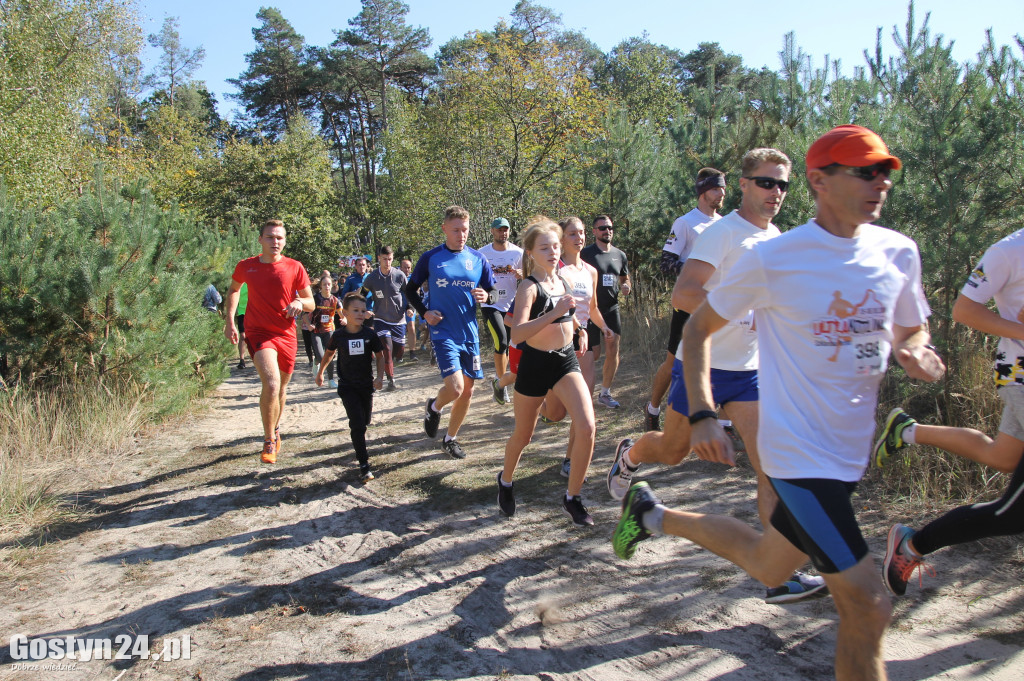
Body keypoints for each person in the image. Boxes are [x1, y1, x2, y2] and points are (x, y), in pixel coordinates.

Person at [613, 125, 945, 680]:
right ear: (822, 179)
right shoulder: (777, 256)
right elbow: (693, 328)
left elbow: (911, 329)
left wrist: (915, 351)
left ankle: (650, 513)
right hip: (798, 451)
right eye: (863, 171)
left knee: (768, 559)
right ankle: (641, 466)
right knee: (867, 602)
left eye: (885, 171)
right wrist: (701, 413)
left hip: (845, 456)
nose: (879, 182)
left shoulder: (898, 252)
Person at [608, 148, 824, 604]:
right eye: (766, 182)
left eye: (783, 185)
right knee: (672, 451)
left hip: (749, 371)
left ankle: (777, 572)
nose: (776, 193)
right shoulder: (723, 233)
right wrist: (740, 304)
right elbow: (684, 295)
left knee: (772, 466)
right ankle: (630, 455)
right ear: (744, 185)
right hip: (702, 362)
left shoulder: (776, 236)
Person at [875, 228, 1024, 596]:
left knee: (1002, 457)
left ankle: (908, 431)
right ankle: (913, 545)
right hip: (1021, 374)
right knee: (1014, 512)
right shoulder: (1010, 251)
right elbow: (964, 309)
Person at [498, 217, 597, 526]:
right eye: (545, 247)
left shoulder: (563, 279)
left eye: (556, 245)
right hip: (535, 365)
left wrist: (579, 329)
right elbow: (517, 334)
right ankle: (505, 479)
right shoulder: (529, 287)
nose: (553, 252)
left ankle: (572, 497)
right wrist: (554, 313)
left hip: (565, 361)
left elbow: (570, 312)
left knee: (587, 426)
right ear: (530, 253)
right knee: (524, 435)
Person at [406, 206, 496, 459]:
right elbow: (410, 290)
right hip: (443, 331)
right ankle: (434, 407)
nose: (461, 234)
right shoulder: (431, 257)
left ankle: (450, 439)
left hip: (470, 333)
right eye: (456, 229)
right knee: (455, 388)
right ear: (445, 228)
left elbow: (496, 292)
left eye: (465, 229)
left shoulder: (478, 259)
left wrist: (487, 295)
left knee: (468, 391)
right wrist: (424, 312)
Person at [224, 219, 315, 464]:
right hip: (259, 332)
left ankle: (275, 430)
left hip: (286, 334)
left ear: (284, 241)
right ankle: (268, 439)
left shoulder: (294, 267)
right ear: (261, 240)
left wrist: (299, 303)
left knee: (282, 388)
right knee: (272, 384)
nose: (275, 242)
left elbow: (311, 302)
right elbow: (234, 290)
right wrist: (230, 321)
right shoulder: (246, 266)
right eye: (270, 237)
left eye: (280, 238)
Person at [645, 168, 726, 432]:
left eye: (723, 188)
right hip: (689, 305)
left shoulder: (725, 225)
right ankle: (653, 408)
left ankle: (722, 423)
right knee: (672, 363)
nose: (722, 193)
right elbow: (666, 263)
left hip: (718, 304)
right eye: (716, 188)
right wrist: (697, 272)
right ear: (703, 191)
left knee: (722, 361)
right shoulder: (685, 223)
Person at [534, 217, 614, 478]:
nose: (579, 238)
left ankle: (569, 459)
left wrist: (603, 327)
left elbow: (592, 309)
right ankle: (539, 403)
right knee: (556, 414)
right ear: (562, 238)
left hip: (584, 342)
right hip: (559, 340)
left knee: (585, 408)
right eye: (572, 234)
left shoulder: (591, 271)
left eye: (581, 233)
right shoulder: (555, 269)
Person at [316, 292, 385, 482]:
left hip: (366, 386)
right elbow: (329, 354)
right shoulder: (338, 335)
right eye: (355, 310)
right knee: (357, 424)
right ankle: (364, 465)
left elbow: (380, 356)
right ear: (344, 313)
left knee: (365, 421)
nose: (360, 314)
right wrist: (321, 372)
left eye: (363, 310)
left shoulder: (370, 334)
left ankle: (360, 445)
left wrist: (380, 377)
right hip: (347, 386)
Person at [581, 215, 631, 408]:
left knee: (613, 350)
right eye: (602, 228)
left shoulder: (620, 255)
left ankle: (605, 393)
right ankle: (578, 391)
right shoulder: (586, 254)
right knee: (592, 354)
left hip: (611, 308)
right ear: (594, 232)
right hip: (590, 309)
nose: (607, 231)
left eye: (609, 227)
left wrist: (626, 286)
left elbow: (625, 279)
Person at [479, 217, 524, 406]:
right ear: (492, 231)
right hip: (491, 304)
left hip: (513, 305)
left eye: (505, 229)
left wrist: (524, 274)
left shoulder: (518, 252)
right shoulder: (482, 253)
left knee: (513, 344)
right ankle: (502, 384)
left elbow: (531, 273)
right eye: (499, 230)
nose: (502, 233)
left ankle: (505, 380)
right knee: (501, 341)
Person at [363, 246, 409, 391]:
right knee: (386, 349)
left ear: (392, 258)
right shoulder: (372, 278)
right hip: (380, 318)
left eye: (389, 259)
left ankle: (392, 365)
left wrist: (410, 309)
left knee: (399, 350)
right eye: (384, 259)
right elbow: (362, 295)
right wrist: (365, 310)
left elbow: (409, 294)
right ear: (379, 259)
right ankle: (391, 380)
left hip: (398, 319)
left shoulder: (399, 275)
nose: (387, 262)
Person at [306, 275, 342, 388]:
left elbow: (342, 315)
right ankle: (317, 362)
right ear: (320, 286)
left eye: (329, 284)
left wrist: (344, 320)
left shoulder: (335, 300)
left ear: (332, 285)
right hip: (316, 331)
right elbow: (305, 315)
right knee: (321, 357)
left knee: (329, 356)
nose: (327, 286)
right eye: (324, 284)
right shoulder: (315, 299)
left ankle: (331, 380)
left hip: (329, 330)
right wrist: (309, 325)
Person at [400, 257, 418, 362]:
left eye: (409, 267)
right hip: (399, 306)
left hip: (411, 306)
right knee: (400, 329)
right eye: (405, 267)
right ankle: (399, 352)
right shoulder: (396, 277)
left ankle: (412, 352)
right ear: (401, 267)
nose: (407, 269)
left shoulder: (414, 278)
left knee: (411, 327)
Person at [235, 283, 249, 369]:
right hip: (241, 312)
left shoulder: (253, 279)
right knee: (243, 336)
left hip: (253, 311)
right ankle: (242, 360)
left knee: (254, 335)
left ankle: (257, 357)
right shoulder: (239, 282)